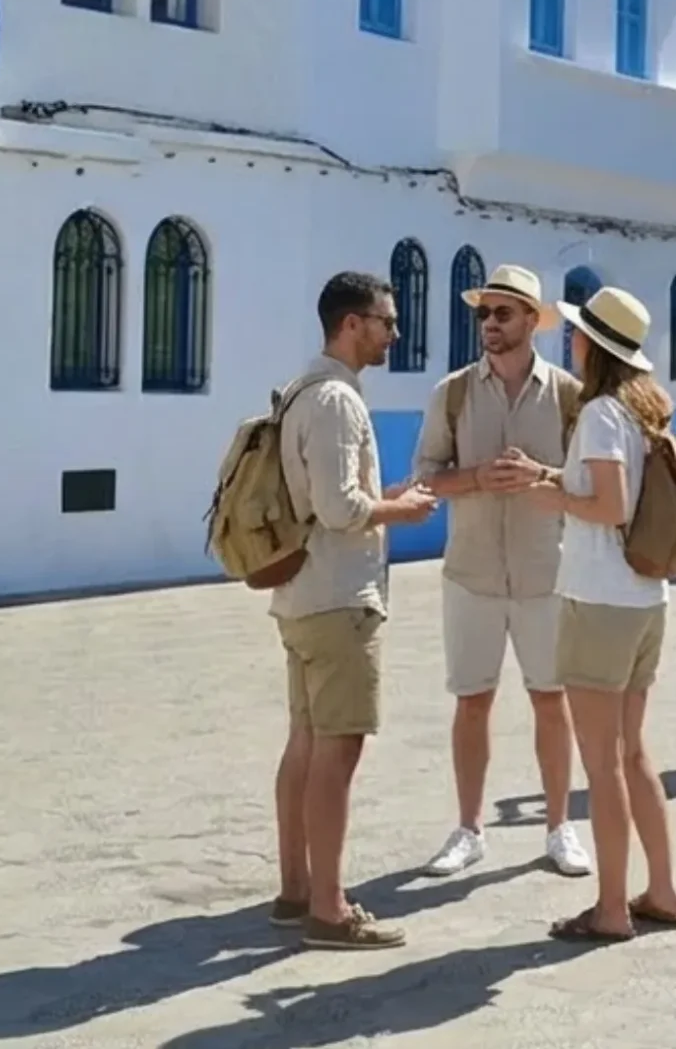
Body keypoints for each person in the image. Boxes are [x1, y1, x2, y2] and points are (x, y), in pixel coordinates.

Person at [269, 273, 440, 950]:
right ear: (350, 323)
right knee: (338, 752)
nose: (393, 333)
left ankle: (295, 889)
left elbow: (327, 497)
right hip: (340, 598)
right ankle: (330, 908)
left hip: (303, 595)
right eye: (386, 321)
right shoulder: (337, 399)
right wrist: (404, 508)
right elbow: (341, 510)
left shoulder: (299, 393)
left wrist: (387, 493)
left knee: (305, 743)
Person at [409, 264, 592, 881]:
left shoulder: (570, 396)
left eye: (502, 313)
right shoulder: (453, 393)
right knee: (472, 702)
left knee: (551, 699)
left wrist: (540, 476)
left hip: (548, 573)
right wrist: (478, 479)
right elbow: (426, 479)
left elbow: (593, 485)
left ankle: (559, 827)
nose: (489, 323)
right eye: (483, 313)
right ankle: (468, 830)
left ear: (533, 322)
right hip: (472, 573)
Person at [545, 285, 676, 944]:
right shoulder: (645, 409)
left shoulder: (602, 412)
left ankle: (608, 908)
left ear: (593, 346)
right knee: (633, 754)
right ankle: (660, 889)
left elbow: (610, 505)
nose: (569, 341)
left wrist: (549, 489)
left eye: (576, 333)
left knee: (602, 764)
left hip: (600, 598)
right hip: (644, 599)